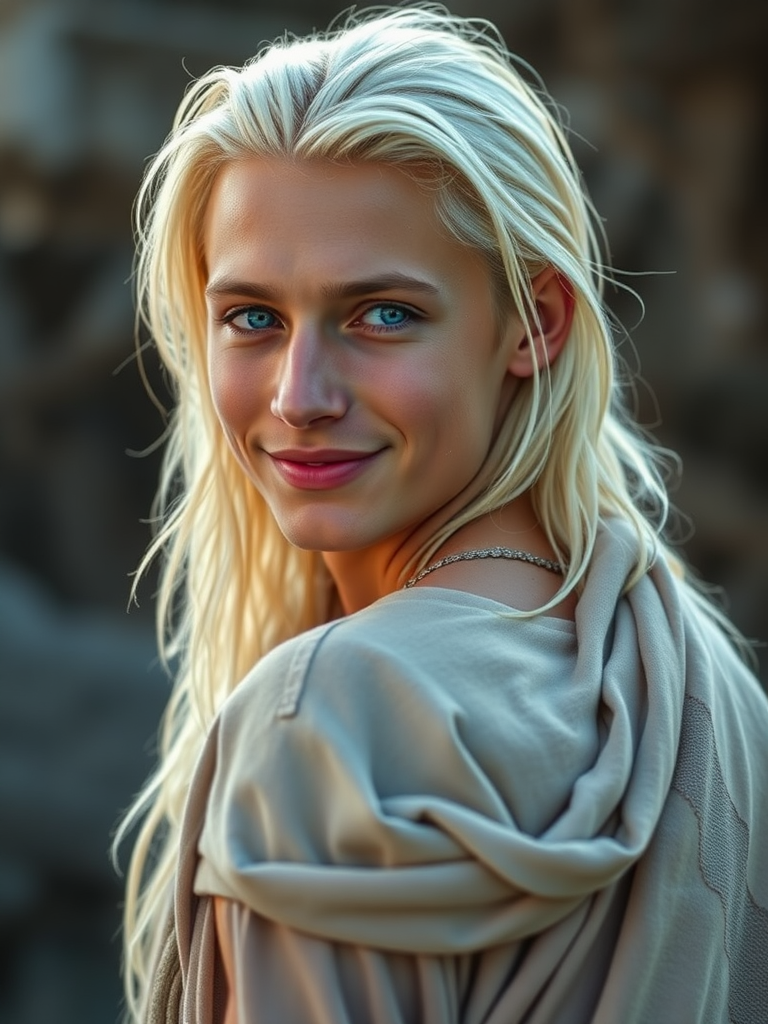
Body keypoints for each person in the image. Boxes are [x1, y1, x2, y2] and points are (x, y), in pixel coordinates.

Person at [115, 6, 768, 1022]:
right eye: (253, 317)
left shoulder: (328, 719)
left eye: (384, 314)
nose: (299, 394)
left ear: (534, 323)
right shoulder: (696, 681)